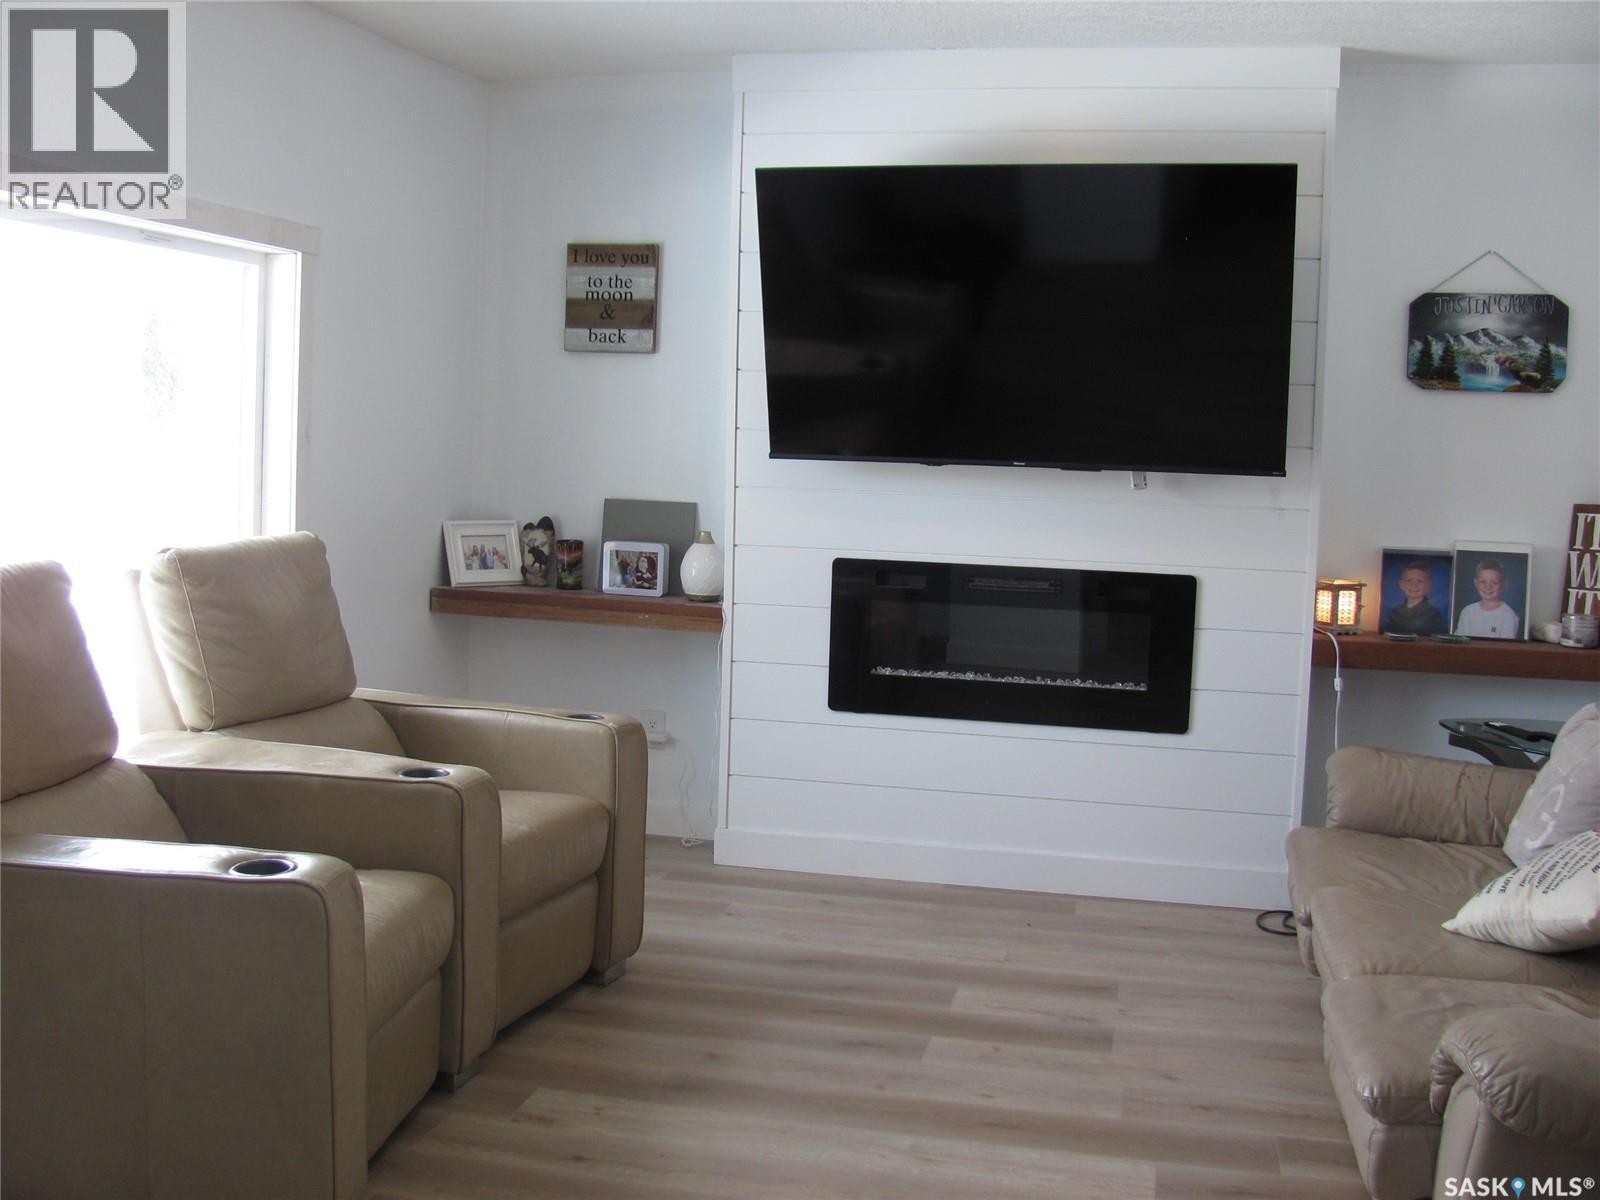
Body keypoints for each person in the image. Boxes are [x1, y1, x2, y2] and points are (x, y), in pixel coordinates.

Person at [1455, 558, 1521, 639]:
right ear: (1476, 583)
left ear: (1504, 585)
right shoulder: (1467, 612)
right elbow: (1458, 642)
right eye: (1483, 582)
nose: (1488, 587)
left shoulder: (1508, 616)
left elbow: (1505, 648)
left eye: (1494, 583)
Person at [1383, 561, 1445, 635]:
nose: (1414, 585)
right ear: (1401, 584)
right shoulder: (1395, 611)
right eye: (1409, 580)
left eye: (1420, 581)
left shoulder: (1433, 614)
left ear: (1428, 586)